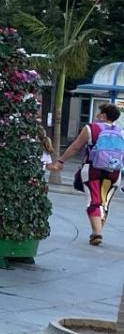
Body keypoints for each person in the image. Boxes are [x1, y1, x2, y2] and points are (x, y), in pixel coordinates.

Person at [49, 103, 123, 246]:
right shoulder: (121, 132)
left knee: (94, 200)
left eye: (99, 113)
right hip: (114, 173)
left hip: (92, 169)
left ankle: (97, 233)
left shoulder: (91, 128)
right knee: (105, 202)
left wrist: (60, 161)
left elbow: (75, 147)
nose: (97, 115)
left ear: (103, 115)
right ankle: (97, 231)